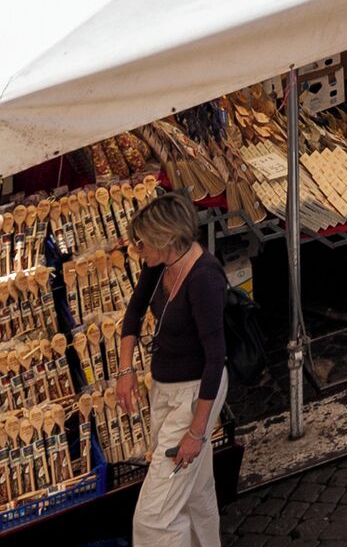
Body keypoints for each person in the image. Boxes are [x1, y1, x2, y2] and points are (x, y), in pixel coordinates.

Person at [111, 194, 226, 547]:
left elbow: (215, 360)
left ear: (163, 238)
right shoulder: (160, 263)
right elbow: (133, 314)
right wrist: (125, 370)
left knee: (154, 517)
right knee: (195, 492)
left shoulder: (204, 278)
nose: (137, 250)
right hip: (166, 387)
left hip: (194, 395)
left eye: (142, 243)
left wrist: (196, 431)